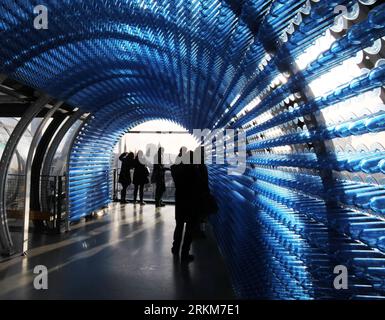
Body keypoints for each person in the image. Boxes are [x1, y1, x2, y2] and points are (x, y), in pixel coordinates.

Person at [171, 148, 198, 263]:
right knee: (189, 228)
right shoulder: (193, 170)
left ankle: (175, 248)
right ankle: (185, 253)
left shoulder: (177, 169)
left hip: (180, 199)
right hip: (190, 200)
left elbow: (174, 166)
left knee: (179, 225)